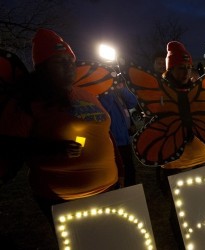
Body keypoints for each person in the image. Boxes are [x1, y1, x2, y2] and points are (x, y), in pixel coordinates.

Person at [0, 28, 119, 222]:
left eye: (71, 61)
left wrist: (120, 171)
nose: (69, 67)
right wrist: (51, 148)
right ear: (43, 67)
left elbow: (104, 133)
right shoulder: (28, 99)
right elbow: (8, 145)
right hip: (65, 200)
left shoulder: (86, 95)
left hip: (110, 187)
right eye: (59, 62)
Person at [158, 41, 205, 250]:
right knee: (181, 208)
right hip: (177, 162)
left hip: (203, 156)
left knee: (203, 202)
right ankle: (184, 244)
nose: (187, 72)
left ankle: (203, 238)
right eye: (182, 68)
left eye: (189, 68)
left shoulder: (195, 89)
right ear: (170, 68)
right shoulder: (161, 93)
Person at [98, 82, 138, 186]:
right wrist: (108, 90)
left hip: (125, 139)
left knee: (130, 170)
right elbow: (104, 109)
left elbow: (133, 102)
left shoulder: (118, 93)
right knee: (120, 172)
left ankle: (132, 193)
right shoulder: (101, 94)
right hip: (114, 142)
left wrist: (122, 88)